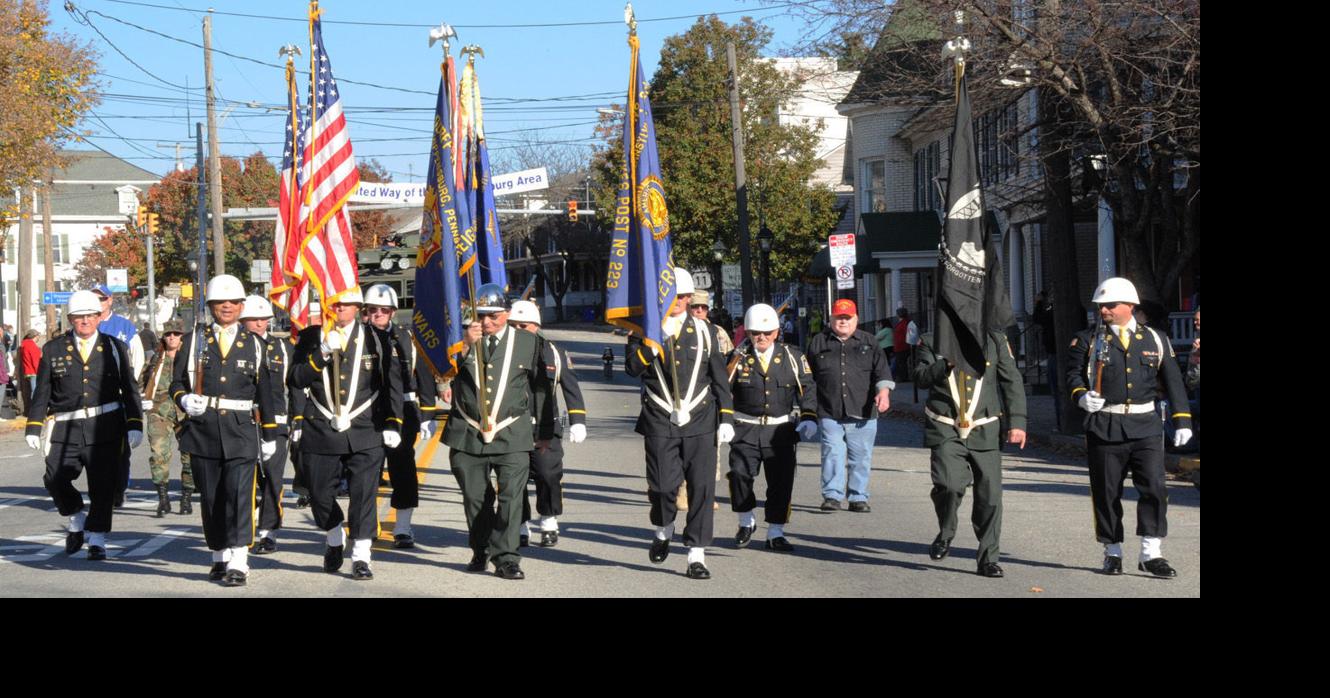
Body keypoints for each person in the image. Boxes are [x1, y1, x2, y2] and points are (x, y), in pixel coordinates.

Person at [1068, 277, 1192, 578]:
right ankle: (1112, 550)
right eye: (1101, 306)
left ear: (1130, 306)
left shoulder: (1155, 339)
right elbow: (1073, 375)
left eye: (1111, 305)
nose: (1104, 310)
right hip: (1105, 424)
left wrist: (1182, 419)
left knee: (1154, 488)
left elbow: (1173, 380)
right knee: (1107, 492)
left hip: (1146, 425)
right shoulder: (1088, 340)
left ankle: (1151, 552)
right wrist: (1082, 397)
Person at [625, 268, 735, 580]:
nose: (679, 301)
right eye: (673, 295)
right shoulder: (644, 330)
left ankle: (696, 554)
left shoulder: (706, 332)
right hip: (660, 418)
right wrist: (651, 344)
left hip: (700, 419)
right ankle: (663, 529)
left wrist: (726, 415)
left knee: (701, 488)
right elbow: (632, 368)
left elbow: (719, 378)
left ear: (690, 299)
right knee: (662, 487)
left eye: (684, 296)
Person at [171, 276, 279, 586]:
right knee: (212, 498)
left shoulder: (254, 344)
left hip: (241, 431)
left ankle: (239, 560)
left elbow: (265, 393)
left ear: (242, 307)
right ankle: (218, 554)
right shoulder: (194, 342)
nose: (227, 306)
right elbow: (177, 383)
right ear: (210, 307)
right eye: (220, 302)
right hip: (204, 430)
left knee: (240, 496)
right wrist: (183, 398)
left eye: (232, 302)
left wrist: (269, 434)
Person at [289, 287, 403, 581]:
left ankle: (362, 556)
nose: (340, 308)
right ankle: (334, 534)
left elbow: (392, 384)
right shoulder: (311, 337)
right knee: (318, 493)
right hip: (321, 427)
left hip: (365, 428)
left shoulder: (378, 338)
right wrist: (322, 352)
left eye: (347, 304)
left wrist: (393, 422)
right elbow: (297, 378)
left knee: (364, 494)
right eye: (335, 303)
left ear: (358, 307)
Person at [441, 284, 553, 580]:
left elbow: (541, 390)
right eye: (482, 316)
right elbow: (440, 373)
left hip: (511, 431)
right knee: (475, 497)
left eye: (494, 315)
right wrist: (464, 345)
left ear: (507, 313)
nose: (487, 322)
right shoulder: (461, 340)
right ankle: (481, 548)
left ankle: (506, 558)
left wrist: (545, 430)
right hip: (468, 432)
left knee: (512, 497)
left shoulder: (529, 343)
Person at [24, 290, 145, 561]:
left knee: (103, 485)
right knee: (54, 478)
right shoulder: (53, 349)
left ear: (99, 317)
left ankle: (98, 539)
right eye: (79, 317)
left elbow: (129, 387)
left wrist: (134, 422)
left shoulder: (114, 347)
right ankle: (75, 516)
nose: (85, 321)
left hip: (106, 425)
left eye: (90, 316)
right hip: (66, 426)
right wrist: (34, 425)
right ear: (70, 319)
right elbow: (42, 391)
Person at [914, 330, 1027, 577]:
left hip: (984, 426)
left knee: (990, 496)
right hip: (945, 426)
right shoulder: (932, 339)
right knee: (949, 485)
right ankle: (945, 532)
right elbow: (921, 377)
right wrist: (947, 363)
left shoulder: (995, 340)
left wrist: (1017, 421)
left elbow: (1011, 379)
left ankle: (988, 558)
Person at [726, 303, 817, 552]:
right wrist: (722, 421)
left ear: (777, 332)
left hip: (780, 432)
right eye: (756, 333)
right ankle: (746, 521)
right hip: (745, 428)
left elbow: (807, 387)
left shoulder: (792, 356)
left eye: (767, 333)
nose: (762, 338)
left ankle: (776, 532)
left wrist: (809, 416)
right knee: (739, 476)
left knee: (780, 483)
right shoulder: (738, 357)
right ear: (749, 333)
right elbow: (722, 389)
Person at [362, 283, 438, 549]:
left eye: (384, 309)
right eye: (373, 310)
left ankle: (403, 527)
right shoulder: (357, 338)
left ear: (393, 312)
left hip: (403, 412)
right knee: (367, 472)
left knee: (403, 470)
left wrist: (427, 413)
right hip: (368, 413)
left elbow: (425, 377)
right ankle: (367, 525)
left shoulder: (407, 339)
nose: (378, 314)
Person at [509, 299, 587, 548]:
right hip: (512, 426)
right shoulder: (504, 352)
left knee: (548, 474)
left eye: (523, 325)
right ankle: (520, 525)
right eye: (513, 325)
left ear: (535, 326)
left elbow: (571, 388)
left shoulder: (555, 352)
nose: (518, 330)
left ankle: (549, 520)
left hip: (546, 426)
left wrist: (578, 420)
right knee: (514, 478)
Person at [807, 298, 893, 512]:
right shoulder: (818, 342)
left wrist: (883, 393)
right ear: (831, 319)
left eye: (847, 317)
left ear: (856, 319)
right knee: (832, 453)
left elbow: (882, 371)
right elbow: (808, 376)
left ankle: (858, 497)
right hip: (829, 409)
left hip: (863, 411)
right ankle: (832, 496)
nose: (843, 321)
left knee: (861, 457)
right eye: (839, 317)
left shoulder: (870, 342)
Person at [240, 296, 302, 556]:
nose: (259, 323)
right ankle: (244, 530)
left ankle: (268, 532)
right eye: (253, 319)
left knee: (272, 479)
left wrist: (297, 418)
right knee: (244, 480)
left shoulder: (282, 348)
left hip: (276, 422)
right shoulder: (237, 346)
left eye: (263, 319)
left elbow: (295, 385)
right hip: (242, 422)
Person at [92, 284, 143, 507]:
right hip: (94, 397)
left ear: (110, 300)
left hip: (120, 396)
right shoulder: (86, 325)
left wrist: (129, 386)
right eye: (95, 299)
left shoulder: (124, 326)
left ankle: (119, 486)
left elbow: (137, 357)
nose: (98, 304)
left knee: (120, 446)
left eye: (102, 299)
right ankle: (102, 487)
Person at [141, 320, 193, 517]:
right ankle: (163, 499)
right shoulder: (156, 359)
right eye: (168, 334)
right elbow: (142, 381)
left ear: (183, 337)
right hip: (159, 412)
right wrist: (143, 400)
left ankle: (186, 497)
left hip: (185, 412)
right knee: (158, 455)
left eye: (176, 334)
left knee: (189, 456)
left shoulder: (190, 360)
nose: (172, 337)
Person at [892, 307, 918, 383]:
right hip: (900, 346)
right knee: (900, 363)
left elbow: (908, 334)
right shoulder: (903, 322)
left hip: (903, 346)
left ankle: (903, 377)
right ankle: (902, 376)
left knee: (901, 363)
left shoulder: (906, 323)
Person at [20, 329, 42, 408]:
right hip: (34, 371)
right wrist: (40, 372)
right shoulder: (31, 345)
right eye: (38, 336)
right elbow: (35, 361)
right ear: (35, 336)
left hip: (28, 371)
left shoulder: (25, 344)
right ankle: (34, 410)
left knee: (33, 390)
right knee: (35, 391)